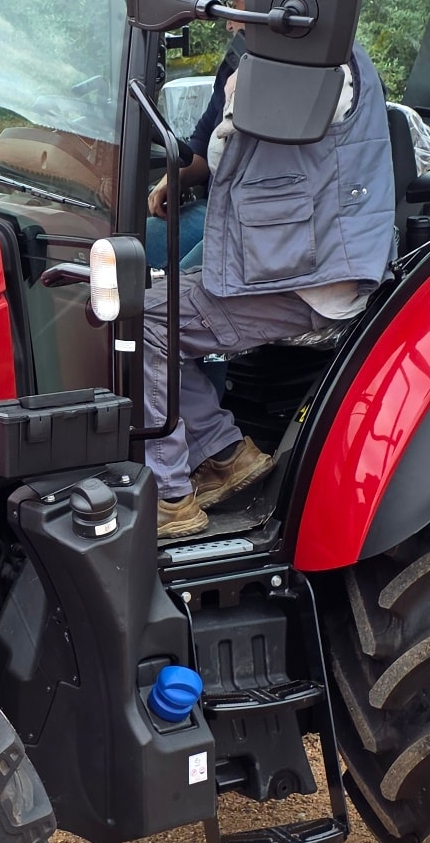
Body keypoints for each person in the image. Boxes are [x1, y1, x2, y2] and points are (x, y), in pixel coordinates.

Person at [145, 36, 398, 538]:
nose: (235, 13)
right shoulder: (331, 57)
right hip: (303, 259)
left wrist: (241, 86)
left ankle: (171, 496)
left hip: (311, 273)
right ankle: (222, 453)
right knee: (155, 290)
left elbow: (221, 153)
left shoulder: (311, 62)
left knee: (143, 316)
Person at [143, 0, 247, 272]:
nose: (228, 22)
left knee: (167, 291)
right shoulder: (234, 67)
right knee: (121, 247)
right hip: (216, 213)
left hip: (254, 232)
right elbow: (202, 146)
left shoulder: (320, 81)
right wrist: (172, 180)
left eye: (236, 4)